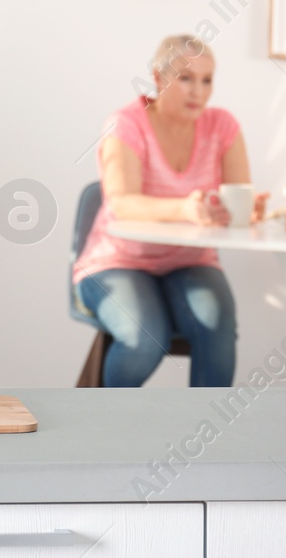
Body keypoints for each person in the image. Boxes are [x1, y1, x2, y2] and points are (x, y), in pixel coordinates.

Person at [72, 35, 266, 387]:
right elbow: (122, 202)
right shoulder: (127, 123)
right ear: (158, 78)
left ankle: (207, 435)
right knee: (143, 340)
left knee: (217, 327)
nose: (199, 91)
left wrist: (246, 212)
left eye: (207, 80)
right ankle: (104, 431)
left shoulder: (222, 127)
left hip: (190, 261)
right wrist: (186, 209)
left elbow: (238, 198)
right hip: (116, 262)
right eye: (186, 78)